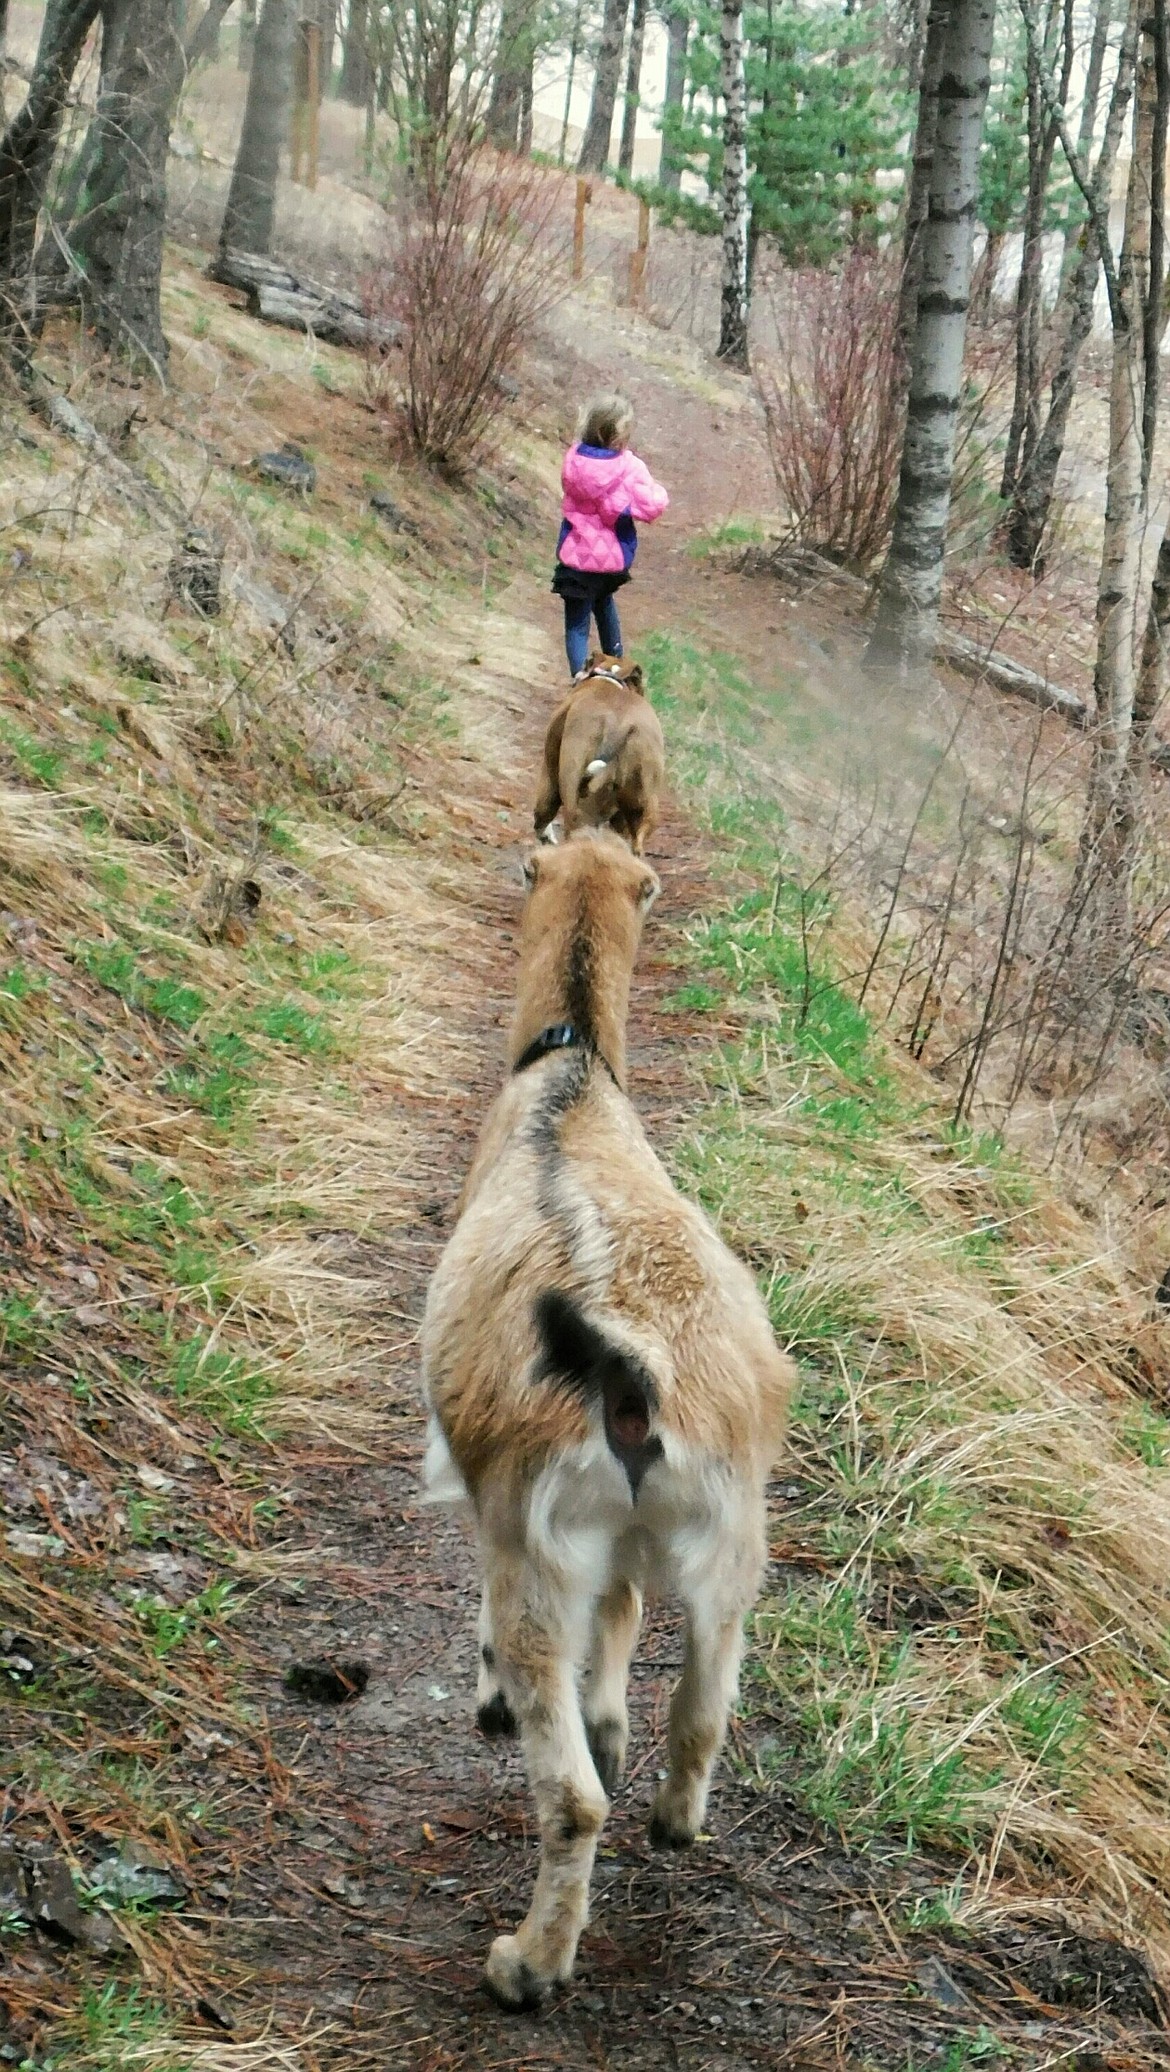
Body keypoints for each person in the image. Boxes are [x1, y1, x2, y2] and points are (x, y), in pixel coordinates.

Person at [552, 394, 669, 679]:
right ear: (618, 436)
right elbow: (654, 505)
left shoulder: (574, 460)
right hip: (611, 560)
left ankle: (579, 680)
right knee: (605, 604)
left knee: (577, 625)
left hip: (576, 557)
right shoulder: (628, 466)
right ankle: (616, 666)